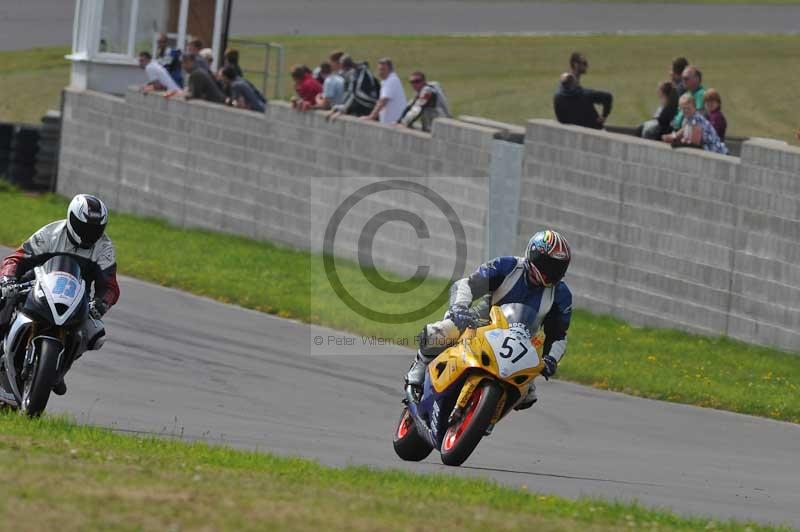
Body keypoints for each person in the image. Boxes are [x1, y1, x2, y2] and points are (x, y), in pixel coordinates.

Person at [405, 230, 572, 410]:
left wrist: (551, 359)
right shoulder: (507, 266)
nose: (552, 272)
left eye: (558, 267)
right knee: (440, 332)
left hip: (520, 345)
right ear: (533, 255)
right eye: (548, 264)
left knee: (527, 394)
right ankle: (420, 366)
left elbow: (558, 335)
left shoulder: (561, 295)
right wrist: (460, 307)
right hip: (480, 324)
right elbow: (468, 284)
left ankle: (490, 415)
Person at [0, 194, 120, 395]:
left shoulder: (104, 248)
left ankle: (59, 367)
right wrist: (8, 279)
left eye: (96, 229)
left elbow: (110, 285)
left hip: (75, 298)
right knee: (3, 298)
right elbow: (16, 259)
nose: (91, 234)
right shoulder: (51, 234)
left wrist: (102, 303)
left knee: (95, 334)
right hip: (36, 287)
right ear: (72, 219)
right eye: (86, 227)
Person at [662, 94, 728, 155]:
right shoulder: (691, 118)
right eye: (683, 108)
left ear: (694, 107)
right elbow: (682, 131)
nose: (686, 111)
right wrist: (672, 136)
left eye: (688, 108)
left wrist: (678, 142)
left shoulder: (695, 119)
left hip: (717, 153)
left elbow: (695, 145)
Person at [363, 58, 406, 124]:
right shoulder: (387, 80)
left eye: (383, 70)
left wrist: (371, 117)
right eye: (379, 69)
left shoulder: (391, 81)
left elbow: (383, 101)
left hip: (393, 123)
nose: (380, 72)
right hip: (391, 122)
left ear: (390, 70)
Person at [671, 66, 705, 131]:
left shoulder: (701, 94)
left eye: (686, 78)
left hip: (686, 132)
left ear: (696, 79)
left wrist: (675, 136)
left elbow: (696, 119)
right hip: (675, 128)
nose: (683, 81)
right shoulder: (687, 93)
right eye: (682, 78)